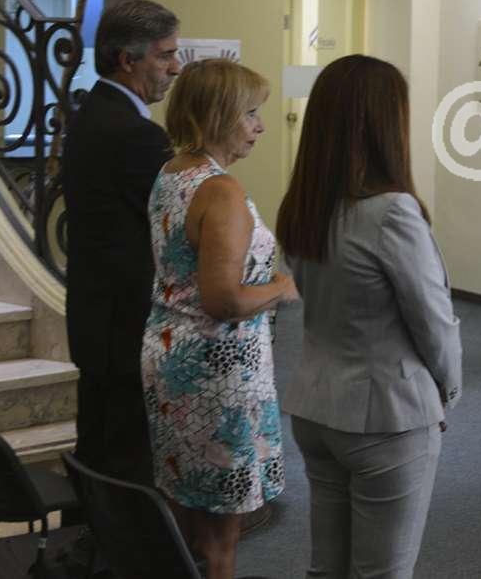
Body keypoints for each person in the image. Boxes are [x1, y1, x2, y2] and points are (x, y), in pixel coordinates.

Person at [277, 55, 462, 579]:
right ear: (385, 125)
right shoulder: (392, 212)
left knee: (328, 569)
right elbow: (433, 321)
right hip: (388, 415)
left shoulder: (303, 206)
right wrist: (447, 391)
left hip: (315, 407)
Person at [141, 59, 297, 579]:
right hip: (216, 371)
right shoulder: (220, 190)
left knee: (186, 509)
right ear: (217, 115)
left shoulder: (172, 172)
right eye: (249, 113)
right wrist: (282, 287)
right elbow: (224, 301)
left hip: (172, 354)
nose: (260, 126)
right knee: (220, 539)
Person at [62, 0, 180, 485]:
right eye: (165, 55)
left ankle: (91, 526)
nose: (176, 68)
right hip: (127, 324)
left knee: (98, 446)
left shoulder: (91, 112)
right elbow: (179, 223)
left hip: (97, 316)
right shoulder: (136, 134)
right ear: (128, 60)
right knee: (125, 463)